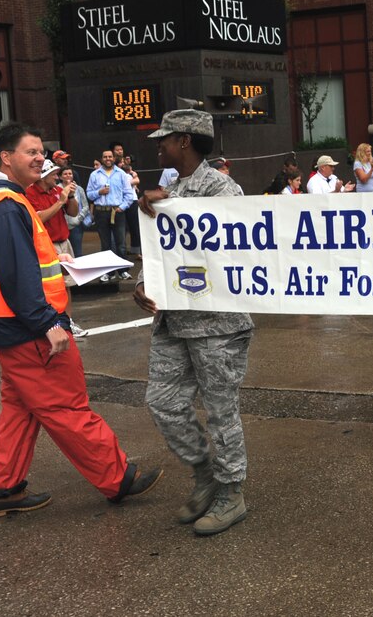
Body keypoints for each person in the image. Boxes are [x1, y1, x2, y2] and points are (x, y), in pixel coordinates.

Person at [0, 124, 162, 519]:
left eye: (41, 151)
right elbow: (14, 274)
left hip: (9, 328)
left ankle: (1, 489)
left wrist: (57, 262)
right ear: (6, 158)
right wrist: (46, 323)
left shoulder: (3, 202)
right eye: (28, 151)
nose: (39, 158)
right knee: (65, 405)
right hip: (29, 330)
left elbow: (14, 265)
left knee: (21, 407)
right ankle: (117, 478)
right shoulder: (5, 205)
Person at [133, 109, 255, 536]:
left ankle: (230, 492)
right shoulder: (172, 188)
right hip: (175, 318)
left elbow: (240, 245)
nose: (159, 146)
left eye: (165, 139)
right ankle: (206, 472)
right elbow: (166, 250)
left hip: (218, 324)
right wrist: (144, 280)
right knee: (162, 402)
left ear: (185, 141)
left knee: (222, 412)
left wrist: (179, 207)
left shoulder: (220, 187)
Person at [24, 159, 88, 338]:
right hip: (46, 245)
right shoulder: (30, 193)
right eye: (53, 174)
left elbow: (73, 213)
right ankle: (52, 323)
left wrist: (71, 197)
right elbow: (38, 219)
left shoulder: (57, 190)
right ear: (43, 176)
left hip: (64, 242)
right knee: (48, 286)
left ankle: (68, 322)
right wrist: (60, 202)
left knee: (66, 285)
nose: (57, 177)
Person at [86, 148, 133, 263]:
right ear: (102, 159)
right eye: (105, 157)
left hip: (117, 211)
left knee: (121, 243)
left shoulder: (121, 174)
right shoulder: (94, 175)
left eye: (110, 156)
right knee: (105, 244)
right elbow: (89, 194)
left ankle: (123, 270)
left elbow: (129, 194)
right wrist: (99, 192)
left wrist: (122, 207)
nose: (108, 159)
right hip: (101, 211)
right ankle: (108, 272)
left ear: (114, 158)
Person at [61, 166, 92, 259]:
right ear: (60, 176)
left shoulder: (79, 189)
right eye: (65, 174)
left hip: (75, 225)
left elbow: (86, 206)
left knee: (77, 252)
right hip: (62, 225)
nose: (68, 176)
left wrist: (79, 218)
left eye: (70, 174)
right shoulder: (56, 189)